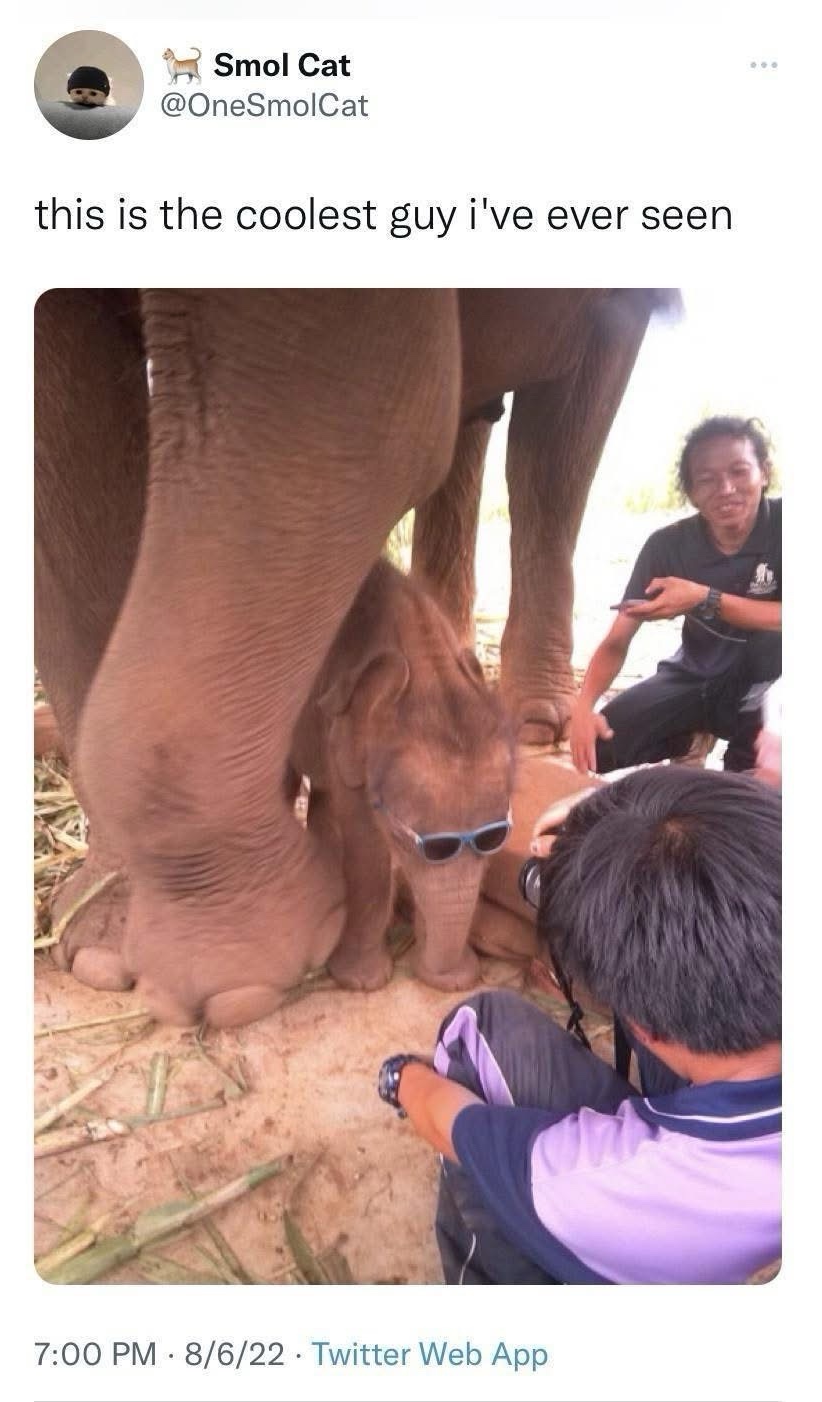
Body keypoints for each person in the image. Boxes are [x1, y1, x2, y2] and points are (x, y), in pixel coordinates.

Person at [378, 767, 781, 1284]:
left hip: (658, 1236)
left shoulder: (597, 1186)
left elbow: (455, 1126)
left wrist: (401, 1076)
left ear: (646, 1027)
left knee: (479, 1028)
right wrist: (622, 823)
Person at [570, 416, 781, 775]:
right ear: (690, 492)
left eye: (739, 471)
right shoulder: (667, 546)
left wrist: (704, 597)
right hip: (694, 677)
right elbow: (617, 639)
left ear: (764, 472)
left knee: (747, 782)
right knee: (600, 749)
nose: (726, 488)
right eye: (707, 480)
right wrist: (583, 707)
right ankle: (690, 740)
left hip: (769, 683)